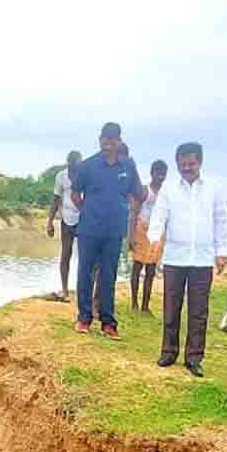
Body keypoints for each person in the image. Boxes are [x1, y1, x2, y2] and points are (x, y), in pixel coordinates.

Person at [147, 142, 227, 377]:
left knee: (199, 311)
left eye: (191, 164)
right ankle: (168, 351)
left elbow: (221, 220)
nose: (187, 168)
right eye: (182, 164)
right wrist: (154, 239)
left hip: (202, 260)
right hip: (175, 257)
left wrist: (221, 251)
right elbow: (158, 216)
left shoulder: (214, 188)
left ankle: (194, 358)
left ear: (200, 162)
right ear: (177, 164)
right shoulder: (169, 189)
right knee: (171, 307)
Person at [71, 122, 142, 340]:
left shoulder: (128, 166)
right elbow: (75, 195)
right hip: (89, 229)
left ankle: (108, 323)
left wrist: (124, 211)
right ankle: (84, 318)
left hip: (114, 231)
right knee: (85, 273)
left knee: (109, 276)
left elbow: (137, 194)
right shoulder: (88, 165)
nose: (107, 143)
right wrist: (89, 212)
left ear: (119, 141)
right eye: (104, 138)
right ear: (99, 140)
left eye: (112, 139)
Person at [129, 159, 169, 314]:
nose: (160, 177)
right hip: (141, 230)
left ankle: (145, 306)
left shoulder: (165, 194)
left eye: (163, 174)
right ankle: (134, 303)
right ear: (152, 173)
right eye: (158, 173)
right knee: (137, 267)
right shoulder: (144, 191)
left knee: (151, 270)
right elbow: (133, 213)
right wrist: (131, 236)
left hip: (157, 233)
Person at [46, 151, 84, 301]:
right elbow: (55, 200)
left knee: (84, 258)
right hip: (66, 219)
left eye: (77, 165)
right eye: (72, 165)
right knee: (65, 254)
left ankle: (82, 292)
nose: (74, 168)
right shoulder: (61, 176)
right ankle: (65, 290)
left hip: (83, 218)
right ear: (68, 163)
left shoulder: (85, 175)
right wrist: (50, 222)